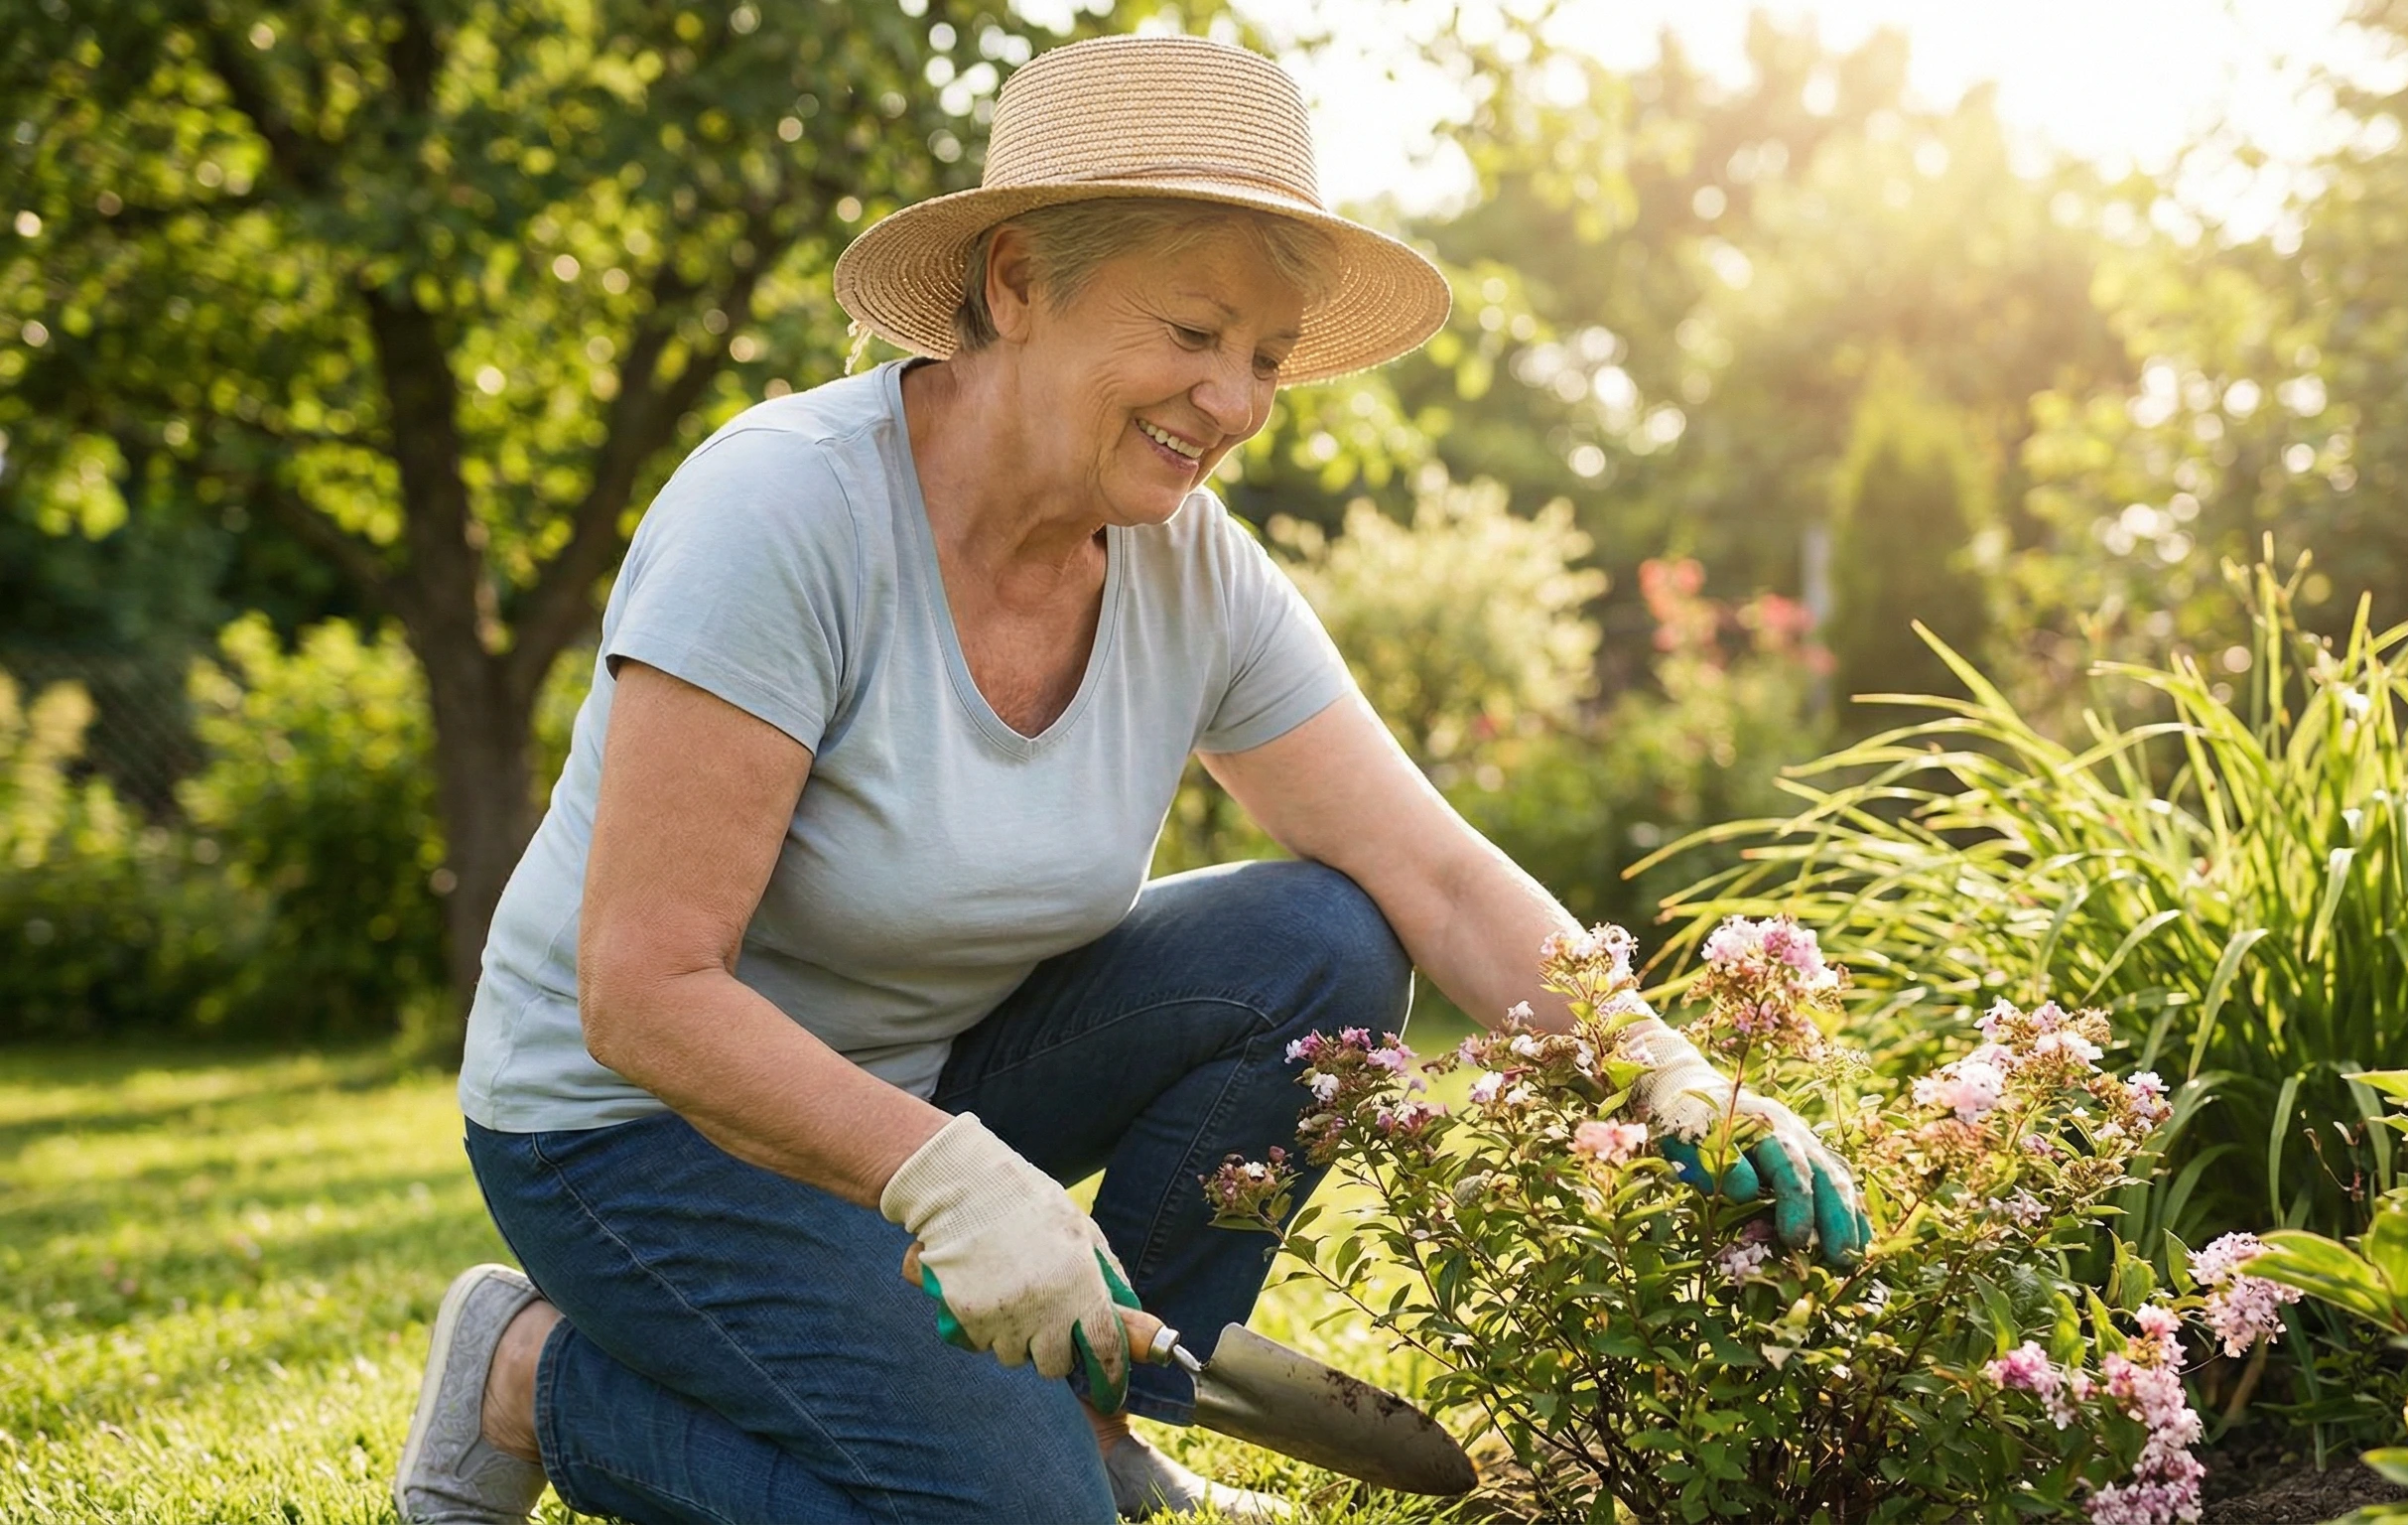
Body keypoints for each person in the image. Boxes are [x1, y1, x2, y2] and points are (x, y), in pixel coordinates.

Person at [393, 33, 1867, 1525]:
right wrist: (946, 1179)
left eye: (1266, 357)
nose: (1234, 402)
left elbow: (1430, 872)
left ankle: (1099, 1419)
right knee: (1013, 1519)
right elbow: (644, 990)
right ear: (1017, 284)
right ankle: (530, 1374)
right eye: (1193, 331)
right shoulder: (781, 516)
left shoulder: (1190, 572)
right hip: (634, 1130)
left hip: (929, 1083)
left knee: (1320, 938)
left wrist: (1662, 1065)